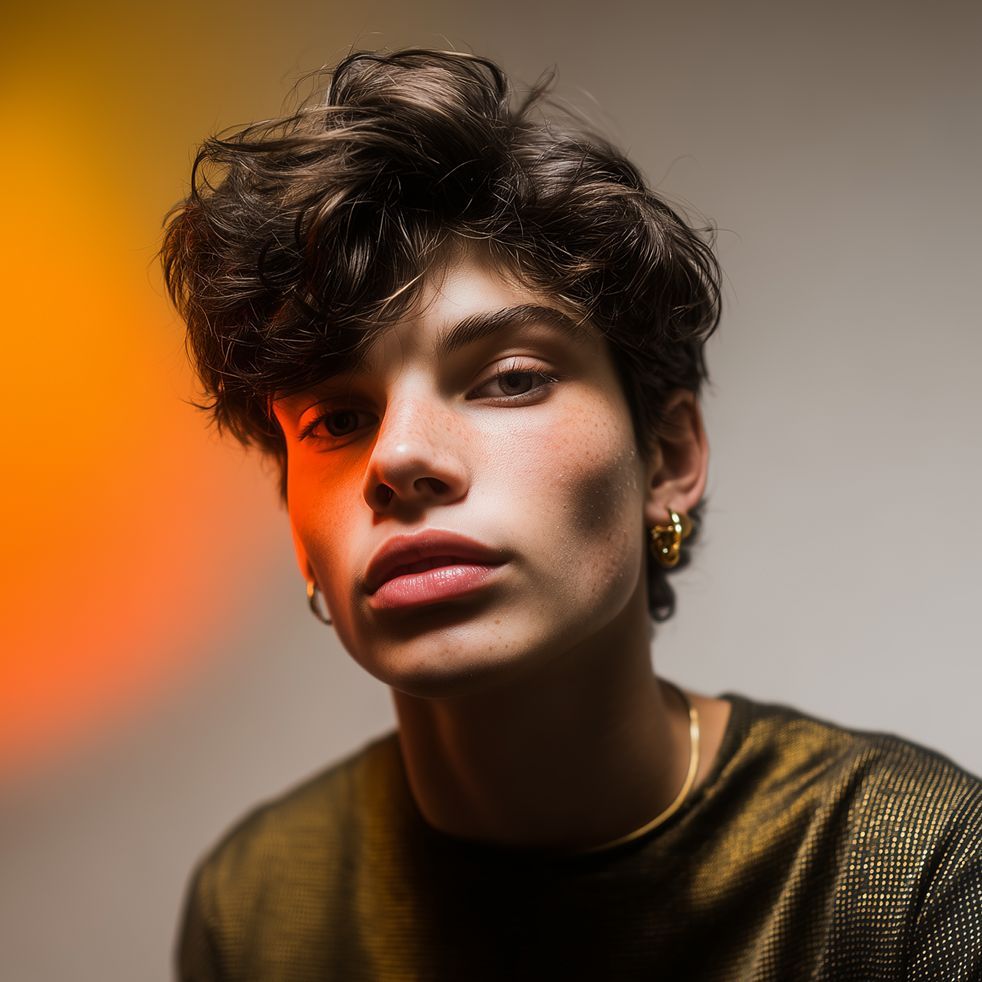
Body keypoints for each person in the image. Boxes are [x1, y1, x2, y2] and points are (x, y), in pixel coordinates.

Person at [162, 48, 981, 981]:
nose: (397, 458)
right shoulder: (259, 904)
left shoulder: (914, 878)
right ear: (298, 530)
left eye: (509, 380)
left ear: (667, 459)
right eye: (337, 420)